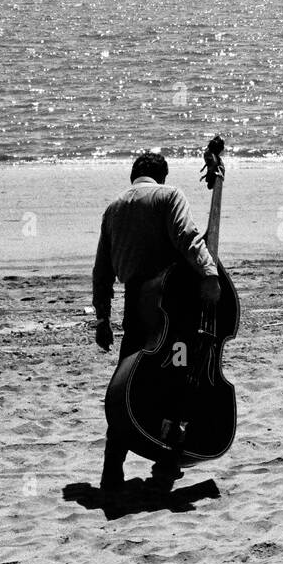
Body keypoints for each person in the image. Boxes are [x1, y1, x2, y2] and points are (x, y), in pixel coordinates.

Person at [92, 151, 221, 497]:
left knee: (127, 382)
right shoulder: (169, 195)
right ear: (161, 176)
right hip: (172, 306)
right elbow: (187, 238)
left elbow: (102, 272)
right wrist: (209, 273)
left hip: (136, 309)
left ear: (134, 175)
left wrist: (102, 318)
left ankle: (111, 474)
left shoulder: (113, 209)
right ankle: (165, 468)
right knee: (181, 378)